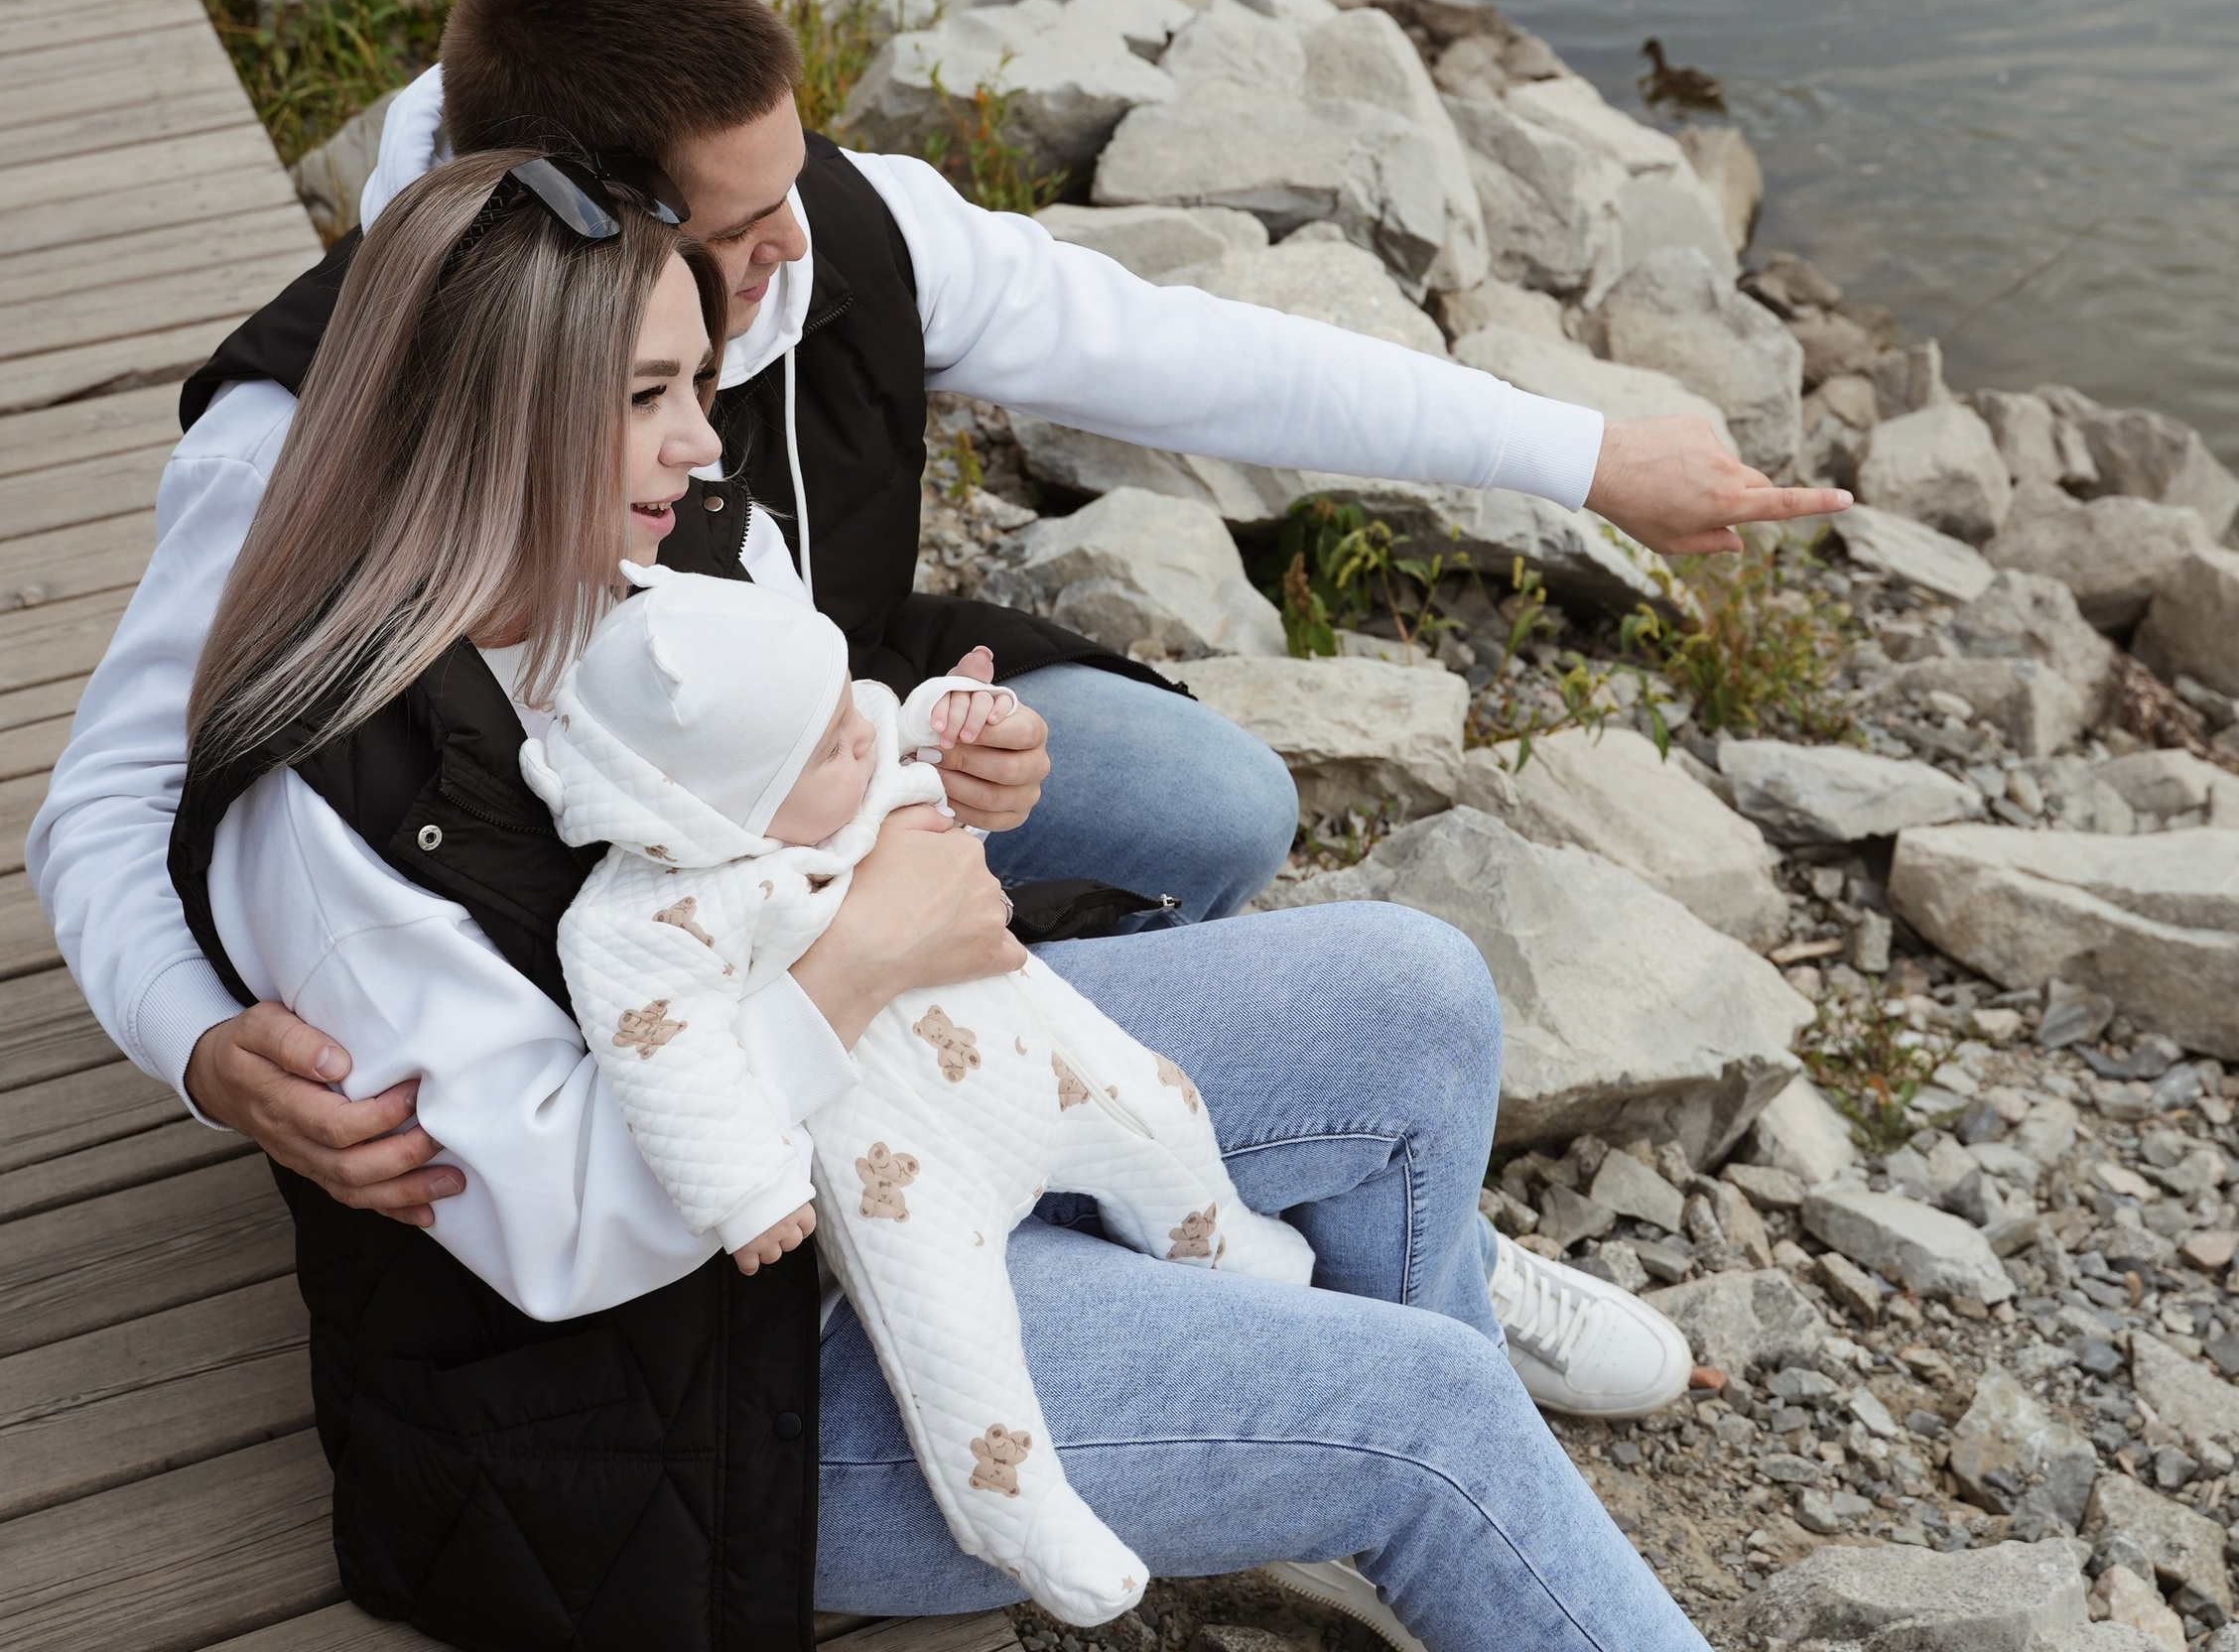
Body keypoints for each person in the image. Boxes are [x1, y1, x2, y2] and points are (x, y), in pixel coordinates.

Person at [31, 0, 1847, 1419]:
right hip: (611, 895)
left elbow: (1186, 353)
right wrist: (204, 1047)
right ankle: (1145, 1187)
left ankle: (1295, 1175)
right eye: (741, 237)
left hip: (842, 708)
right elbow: (113, 801)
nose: (798, 239)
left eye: (793, 179)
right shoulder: (307, 427)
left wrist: (1581, 453)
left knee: (1219, 802)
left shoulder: (825, 219)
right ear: (589, 235)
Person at [170, 149, 1711, 1650]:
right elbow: (565, 1240)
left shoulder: (661, 551)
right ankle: (1397, 1465)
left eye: (697, 387)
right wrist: (861, 960)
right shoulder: (337, 806)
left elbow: (819, 766)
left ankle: (1360, 1477)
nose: (700, 447)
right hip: (700, 1399)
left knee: (1416, 995)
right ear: (476, 421)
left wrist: (937, 772)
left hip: (912, 1109)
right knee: (1417, 1411)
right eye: (644, 400)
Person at [529, 566, 1312, 1627]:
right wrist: (749, 1191)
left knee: (1160, 1111)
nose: (862, 733)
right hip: (888, 1164)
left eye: (849, 706)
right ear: (721, 802)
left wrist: (959, 711)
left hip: (1024, 1040)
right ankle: (1021, 1512)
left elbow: (893, 722)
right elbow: (672, 1070)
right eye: (832, 745)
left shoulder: (842, 753)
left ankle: (1225, 1245)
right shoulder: (645, 919)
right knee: (951, 1331)